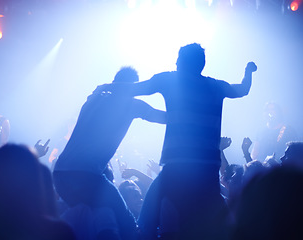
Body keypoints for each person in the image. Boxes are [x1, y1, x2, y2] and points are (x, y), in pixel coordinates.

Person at [98, 43, 257, 239]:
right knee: (215, 226)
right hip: (208, 170)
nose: (174, 63)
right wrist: (248, 71)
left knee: (146, 221)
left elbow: (137, 88)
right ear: (202, 64)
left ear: (181, 62)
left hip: (177, 166)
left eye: (177, 59)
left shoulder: (170, 79)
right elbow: (243, 89)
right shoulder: (216, 86)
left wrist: (106, 88)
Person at [53, 67, 166, 240]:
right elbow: (163, 117)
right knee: (127, 224)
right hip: (85, 175)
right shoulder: (130, 103)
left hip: (60, 174)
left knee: (89, 222)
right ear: (131, 88)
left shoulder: (93, 99)